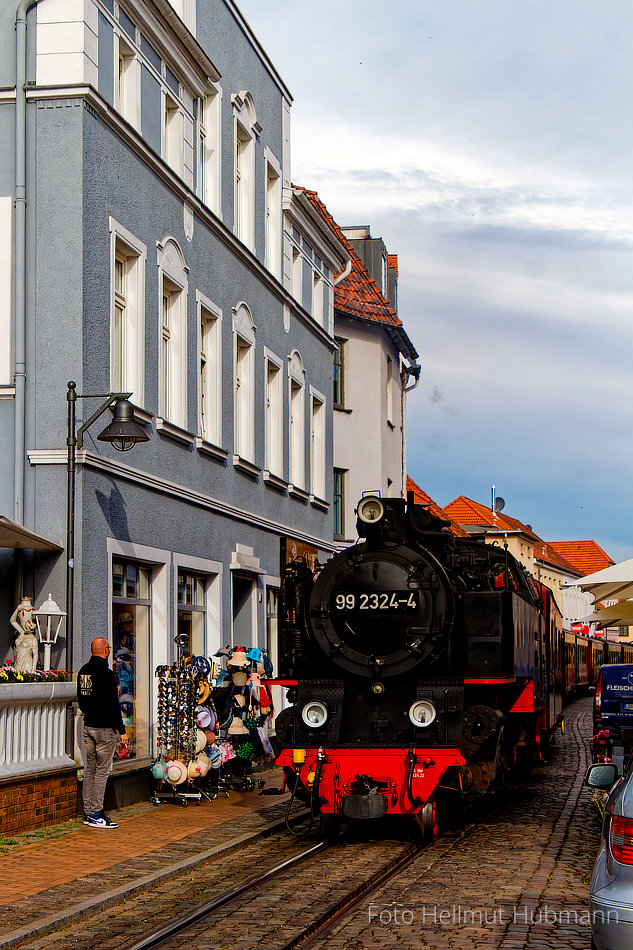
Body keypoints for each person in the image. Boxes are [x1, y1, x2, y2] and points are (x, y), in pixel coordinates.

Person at [77, 637, 129, 828]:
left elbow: (81, 699)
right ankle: (97, 813)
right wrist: (122, 731)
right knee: (101, 772)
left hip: (88, 725)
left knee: (89, 769)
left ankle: (88, 811)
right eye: (108, 648)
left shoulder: (83, 672)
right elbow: (113, 705)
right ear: (106, 650)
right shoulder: (107, 674)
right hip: (105, 728)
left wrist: (89, 713)